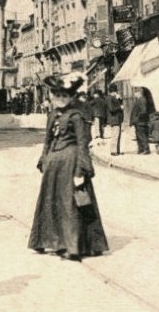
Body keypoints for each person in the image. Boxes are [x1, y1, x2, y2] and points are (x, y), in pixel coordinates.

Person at [28, 72, 108, 261]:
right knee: (50, 202)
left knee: (71, 204)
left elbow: (82, 143)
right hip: (53, 166)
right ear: (53, 97)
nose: (61, 99)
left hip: (71, 164)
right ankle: (50, 240)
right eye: (57, 96)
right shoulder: (52, 115)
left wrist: (81, 170)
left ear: (71, 97)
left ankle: (74, 245)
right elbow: (47, 140)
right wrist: (43, 159)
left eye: (64, 96)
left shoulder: (76, 116)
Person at [130, 88, 151, 155]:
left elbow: (143, 111)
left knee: (142, 136)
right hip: (139, 122)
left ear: (139, 93)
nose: (134, 94)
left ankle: (146, 149)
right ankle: (141, 149)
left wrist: (136, 118)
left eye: (135, 93)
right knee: (139, 136)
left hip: (140, 122)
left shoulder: (141, 100)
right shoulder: (140, 99)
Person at [105, 84, 124, 156]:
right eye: (115, 91)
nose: (116, 93)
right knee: (115, 135)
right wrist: (120, 107)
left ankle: (117, 150)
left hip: (117, 119)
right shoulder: (109, 98)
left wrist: (119, 100)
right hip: (114, 119)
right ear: (113, 91)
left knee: (117, 135)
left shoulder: (113, 98)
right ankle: (113, 151)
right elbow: (111, 109)